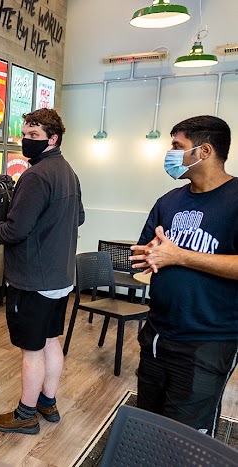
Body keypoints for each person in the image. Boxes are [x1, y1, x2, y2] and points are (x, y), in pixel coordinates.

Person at [129, 115, 238, 436]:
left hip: (208, 341)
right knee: (148, 424)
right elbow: (146, 252)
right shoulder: (169, 201)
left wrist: (180, 256)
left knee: (185, 437)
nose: (170, 153)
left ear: (204, 151)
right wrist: (148, 257)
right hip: (158, 334)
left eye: (177, 146)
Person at [0, 108, 84, 435]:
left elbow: (14, 231)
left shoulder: (36, 176)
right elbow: (78, 217)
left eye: (33, 136)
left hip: (33, 278)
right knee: (50, 341)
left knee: (32, 348)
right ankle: (48, 401)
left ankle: (25, 413)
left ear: (52, 138)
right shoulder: (68, 171)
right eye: (24, 135)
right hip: (60, 277)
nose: (26, 141)